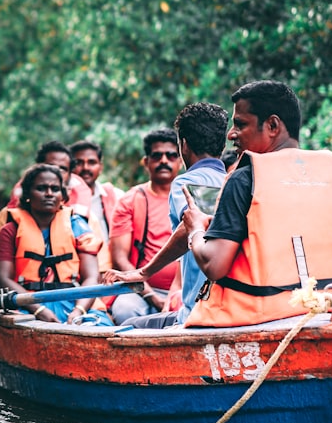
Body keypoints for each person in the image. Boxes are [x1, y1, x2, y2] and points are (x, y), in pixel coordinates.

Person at [182, 80, 332, 327]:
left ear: (272, 125)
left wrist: (196, 229)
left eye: (240, 124)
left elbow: (214, 265)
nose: (231, 134)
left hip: (265, 318)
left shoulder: (244, 178)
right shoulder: (331, 174)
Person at [103, 103, 228, 327]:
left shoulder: (185, 182)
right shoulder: (234, 181)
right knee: (127, 311)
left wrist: (143, 272)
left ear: (184, 146)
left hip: (196, 311)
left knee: (128, 329)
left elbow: (189, 227)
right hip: (225, 306)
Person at [0, 139, 101, 297]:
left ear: (70, 174)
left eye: (62, 169)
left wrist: (81, 308)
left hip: (70, 295)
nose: (53, 172)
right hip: (22, 293)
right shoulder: (11, 217)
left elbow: (96, 271)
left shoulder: (83, 220)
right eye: (49, 166)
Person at [0, 164, 107, 324]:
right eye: (41, 188)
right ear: (28, 194)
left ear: (62, 195)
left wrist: (78, 311)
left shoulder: (77, 226)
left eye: (55, 189)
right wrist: (38, 310)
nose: (49, 194)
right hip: (25, 304)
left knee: (100, 323)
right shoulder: (10, 230)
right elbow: (3, 279)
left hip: (73, 303)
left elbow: (92, 277)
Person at [106, 129, 182, 324]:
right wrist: (152, 297)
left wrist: (174, 296)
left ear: (180, 161)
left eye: (171, 155)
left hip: (183, 288)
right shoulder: (130, 200)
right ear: (146, 162)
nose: (164, 160)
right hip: (137, 289)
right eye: (157, 156)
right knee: (124, 310)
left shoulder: (190, 197)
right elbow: (120, 258)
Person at [69, 139, 124, 244]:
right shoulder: (62, 200)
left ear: (101, 167)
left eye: (92, 162)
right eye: (79, 163)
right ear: (70, 167)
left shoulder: (117, 196)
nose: (85, 168)